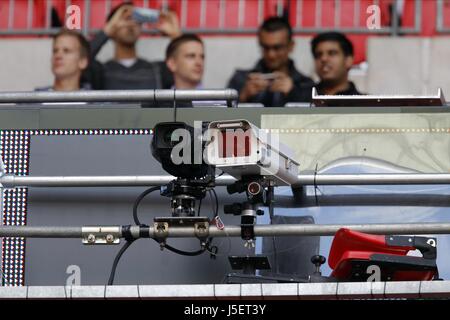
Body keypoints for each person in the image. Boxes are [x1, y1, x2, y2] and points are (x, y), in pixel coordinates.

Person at [87, 2, 181, 90]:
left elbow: (185, 68)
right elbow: (80, 60)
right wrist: (107, 31)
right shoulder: (100, 71)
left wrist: (176, 35)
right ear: (112, 27)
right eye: (125, 19)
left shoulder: (158, 70)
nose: (131, 24)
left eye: (136, 20)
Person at [227, 16, 314, 107]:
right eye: (266, 47)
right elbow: (222, 116)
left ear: (291, 46)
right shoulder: (240, 80)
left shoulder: (305, 84)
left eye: (277, 48)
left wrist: (294, 94)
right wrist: (242, 97)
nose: (271, 55)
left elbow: (315, 117)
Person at [311, 32, 363, 96]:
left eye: (332, 53)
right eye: (318, 55)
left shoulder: (366, 104)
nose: (323, 59)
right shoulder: (300, 98)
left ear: (348, 60)